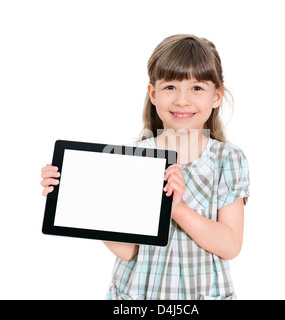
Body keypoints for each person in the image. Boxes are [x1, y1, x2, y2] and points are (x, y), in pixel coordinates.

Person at [40, 34, 250, 300]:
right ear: (153, 93)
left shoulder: (227, 159)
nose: (182, 100)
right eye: (170, 87)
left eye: (197, 88)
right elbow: (129, 251)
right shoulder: (137, 158)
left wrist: (178, 209)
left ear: (216, 96)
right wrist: (74, 198)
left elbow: (230, 245)